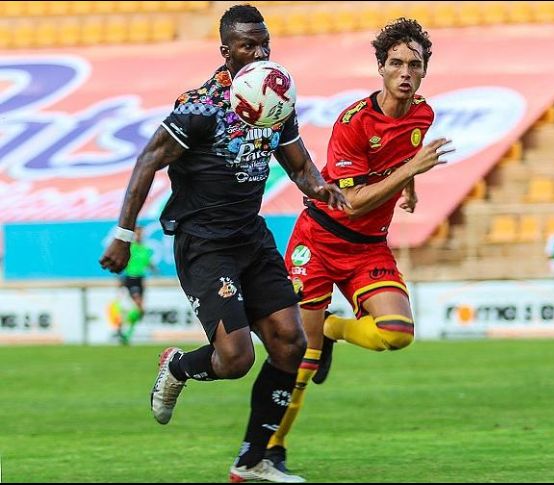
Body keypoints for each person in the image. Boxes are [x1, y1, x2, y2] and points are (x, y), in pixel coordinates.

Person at [98, 4, 349, 483]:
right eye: (248, 45)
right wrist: (124, 235)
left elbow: (298, 165)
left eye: (265, 43)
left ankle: (254, 460)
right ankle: (178, 367)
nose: (259, 53)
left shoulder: (276, 99)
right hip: (204, 244)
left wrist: (321, 188)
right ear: (225, 51)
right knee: (235, 359)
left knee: (290, 344)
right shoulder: (200, 107)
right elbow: (148, 161)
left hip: (250, 237)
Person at [264, 17, 453, 473]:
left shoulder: (422, 114)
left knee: (396, 333)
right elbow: (347, 203)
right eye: (396, 63)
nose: (406, 72)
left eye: (415, 63)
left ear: (425, 70)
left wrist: (407, 188)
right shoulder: (352, 123)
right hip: (321, 240)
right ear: (381, 68)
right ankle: (272, 448)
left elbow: (402, 157)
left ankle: (333, 328)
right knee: (300, 363)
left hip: (369, 246)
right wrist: (409, 175)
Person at [114, 226, 156, 345]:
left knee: (139, 310)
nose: (139, 236)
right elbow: (121, 262)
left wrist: (155, 271)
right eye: (137, 233)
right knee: (138, 305)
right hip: (130, 278)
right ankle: (122, 330)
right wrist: (118, 278)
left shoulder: (145, 249)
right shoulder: (130, 248)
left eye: (140, 233)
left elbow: (148, 264)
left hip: (140, 280)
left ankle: (125, 333)